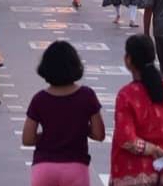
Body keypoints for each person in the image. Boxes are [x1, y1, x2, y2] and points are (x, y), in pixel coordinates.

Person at [22, 40, 105, 186]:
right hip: (76, 168)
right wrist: (79, 129)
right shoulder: (87, 95)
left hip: (44, 168)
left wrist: (50, 134)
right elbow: (99, 134)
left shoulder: (39, 99)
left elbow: (27, 139)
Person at [110, 34, 163, 186]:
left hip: (130, 173)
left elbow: (126, 139)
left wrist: (151, 149)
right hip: (160, 172)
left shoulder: (126, 94)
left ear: (129, 60)